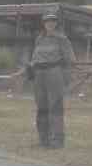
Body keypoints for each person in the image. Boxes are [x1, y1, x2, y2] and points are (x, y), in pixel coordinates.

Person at [28, 12, 75, 148]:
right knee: (41, 107)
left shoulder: (62, 39)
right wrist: (28, 68)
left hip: (54, 72)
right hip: (39, 74)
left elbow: (70, 59)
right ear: (44, 23)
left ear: (56, 23)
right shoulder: (39, 39)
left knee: (55, 107)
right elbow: (34, 58)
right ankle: (43, 140)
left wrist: (65, 76)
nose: (50, 23)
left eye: (53, 21)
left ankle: (57, 141)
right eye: (47, 21)